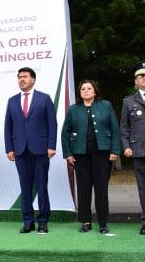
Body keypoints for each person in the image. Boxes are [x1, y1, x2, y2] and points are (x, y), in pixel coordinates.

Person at [61, 80, 120, 234]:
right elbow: (65, 133)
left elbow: (115, 129)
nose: (86, 91)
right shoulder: (74, 109)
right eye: (83, 89)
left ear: (95, 91)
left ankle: (103, 223)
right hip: (80, 155)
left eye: (89, 88)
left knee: (101, 189)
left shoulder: (105, 105)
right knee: (83, 188)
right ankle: (86, 221)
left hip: (103, 154)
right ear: (80, 93)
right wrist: (68, 153)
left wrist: (114, 151)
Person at [4, 67, 57, 234]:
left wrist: (51, 146)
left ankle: (43, 221)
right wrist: (9, 148)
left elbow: (52, 124)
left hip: (41, 150)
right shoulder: (12, 101)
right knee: (25, 187)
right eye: (19, 77)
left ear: (33, 79)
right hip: (20, 150)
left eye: (25, 77)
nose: (22, 79)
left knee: (41, 186)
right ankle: (28, 221)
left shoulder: (44, 98)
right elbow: (8, 126)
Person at [120, 61, 145, 235]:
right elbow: (124, 127)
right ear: (135, 81)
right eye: (141, 76)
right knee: (144, 188)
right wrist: (126, 146)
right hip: (139, 151)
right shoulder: (128, 102)